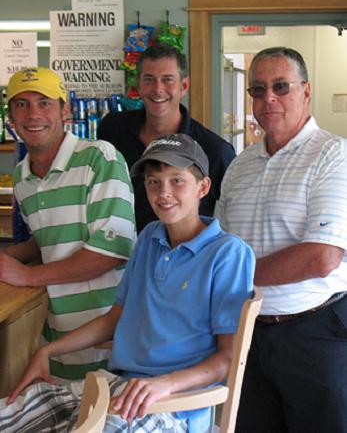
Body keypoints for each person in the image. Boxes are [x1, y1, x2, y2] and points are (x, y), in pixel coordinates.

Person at [1, 133, 255, 433]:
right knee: (8, 412)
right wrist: (47, 351)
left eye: (177, 181)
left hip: (174, 405)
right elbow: (115, 319)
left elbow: (228, 358)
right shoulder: (150, 237)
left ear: (203, 187)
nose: (163, 193)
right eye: (153, 182)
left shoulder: (228, 253)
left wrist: (163, 385)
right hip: (118, 386)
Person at [216, 47, 347, 432]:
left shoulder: (334, 155)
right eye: (258, 89)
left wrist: (235, 276)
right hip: (247, 335)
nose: (268, 98)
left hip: (315, 334)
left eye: (280, 87)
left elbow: (321, 257)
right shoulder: (239, 165)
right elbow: (221, 248)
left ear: (305, 92)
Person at [0, 67, 136, 380]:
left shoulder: (100, 158)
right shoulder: (22, 176)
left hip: (110, 342)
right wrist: (12, 257)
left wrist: (26, 275)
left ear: (66, 110)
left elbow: (111, 252)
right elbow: (48, 237)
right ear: (11, 117)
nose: (33, 114)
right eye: (22, 104)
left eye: (44, 103)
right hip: (57, 342)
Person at [98, 43, 236, 233]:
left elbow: (233, 215)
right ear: (138, 83)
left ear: (184, 86)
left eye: (167, 79)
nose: (158, 89)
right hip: (120, 254)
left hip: (185, 257)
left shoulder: (214, 150)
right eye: (149, 79)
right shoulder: (113, 129)